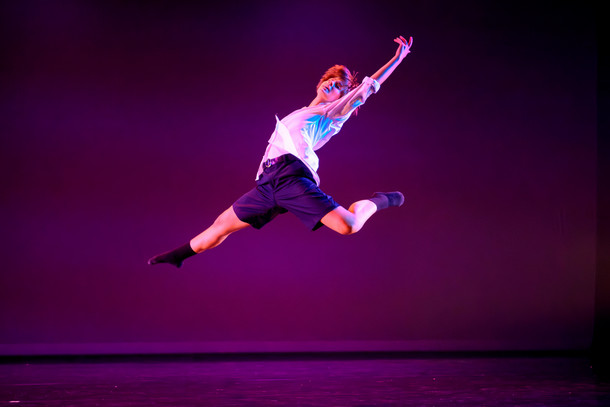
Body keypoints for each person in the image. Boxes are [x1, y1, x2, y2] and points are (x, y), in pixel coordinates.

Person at [149, 35, 414, 268]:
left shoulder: (331, 114)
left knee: (349, 225)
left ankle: (382, 199)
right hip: (267, 183)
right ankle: (179, 256)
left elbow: (365, 91)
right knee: (221, 225)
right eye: (328, 80)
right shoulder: (302, 112)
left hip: (292, 178)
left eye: (338, 87)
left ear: (342, 98)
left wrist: (397, 59)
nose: (330, 85)